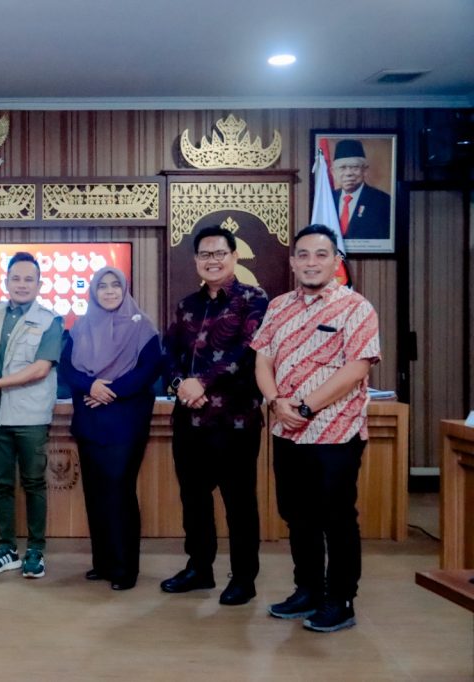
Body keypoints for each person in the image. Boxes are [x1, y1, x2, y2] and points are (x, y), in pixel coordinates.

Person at [252, 223, 380, 633]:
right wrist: (276, 401)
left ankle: (340, 599)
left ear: (335, 261)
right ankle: (307, 590)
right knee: (297, 515)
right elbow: (262, 360)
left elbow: (356, 368)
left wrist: (306, 407)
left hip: (334, 432)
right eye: (303, 255)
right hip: (286, 429)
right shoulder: (278, 307)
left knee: (336, 517)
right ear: (292, 262)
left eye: (321, 254)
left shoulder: (356, 308)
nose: (311, 262)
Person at [160, 225, 269, 606]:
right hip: (189, 420)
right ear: (196, 260)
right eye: (205, 254)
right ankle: (199, 568)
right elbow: (169, 351)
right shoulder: (187, 305)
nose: (212, 260)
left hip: (235, 421)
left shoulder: (254, 299)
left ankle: (243, 578)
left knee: (239, 503)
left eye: (220, 253)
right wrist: (181, 385)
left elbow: (249, 352)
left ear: (234, 256)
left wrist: (202, 383)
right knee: (194, 499)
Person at [58, 267, 161, 590]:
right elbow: (67, 368)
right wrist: (91, 386)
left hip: (125, 420)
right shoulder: (80, 327)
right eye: (102, 286)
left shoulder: (142, 326)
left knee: (119, 491)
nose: (110, 291)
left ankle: (125, 568)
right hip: (90, 421)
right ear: (93, 292)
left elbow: (149, 370)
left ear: (124, 288)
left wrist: (109, 391)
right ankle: (103, 563)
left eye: (116, 285)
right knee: (95, 493)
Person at [0, 252, 63, 579]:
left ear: (39, 284)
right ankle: (7, 548)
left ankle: (36, 549)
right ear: (6, 281)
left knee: (34, 483)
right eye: (16, 278)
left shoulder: (50, 321)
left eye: (28, 279)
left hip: (30, 415)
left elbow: (40, 369)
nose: (22, 285)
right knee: (1, 484)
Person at [330, 139, 391, 241]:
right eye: (342, 168)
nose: (348, 173)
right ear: (333, 172)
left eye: (354, 167)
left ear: (365, 170)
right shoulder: (328, 199)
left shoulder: (383, 201)